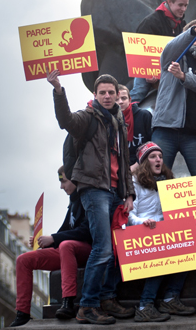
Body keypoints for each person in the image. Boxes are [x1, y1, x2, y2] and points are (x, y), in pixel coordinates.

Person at [49, 70, 136, 325]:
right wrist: (58, 90)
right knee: (102, 248)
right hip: (93, 189)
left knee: (116, 248)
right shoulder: (87, 117)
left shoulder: (119, 121)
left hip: (114, 192)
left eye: (112, 93)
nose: (108, 96)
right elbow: (65, 120)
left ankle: (107, 298)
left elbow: (123, 160)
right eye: (103, 93)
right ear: (95, 95)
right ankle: (87, 306)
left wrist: (128, 193)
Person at [128, 142, 196, 322]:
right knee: (161, 257)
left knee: (188, 247)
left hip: (163, 230)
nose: (158, 160)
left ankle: (170, 298)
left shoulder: (168, 181)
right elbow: (130, 214)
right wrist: (143, 222)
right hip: (143, 233)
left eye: (160, 157)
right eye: (153, 157)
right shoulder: (134, 182)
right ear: (145, 161)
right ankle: (145, 305)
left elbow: (187, 198)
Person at [10, 166, 92, 326]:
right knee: (23, 260)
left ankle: (67, 302)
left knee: (66, 245)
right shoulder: (73, 203)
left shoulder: (88, 198)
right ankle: (22, 313)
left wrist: (53, 238)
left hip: (88, 250)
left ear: (75, 179)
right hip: (68, 251)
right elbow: (64, 232)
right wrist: (44, 241)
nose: (61, 186)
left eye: (64, 181)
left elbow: (86, 231)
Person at [151, 15, 196, 176]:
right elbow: (172, 45)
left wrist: (184, 77)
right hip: (166, 129)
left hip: (194, 134)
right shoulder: (171, 58)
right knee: (155, 180)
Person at [130, 0, 190, 103]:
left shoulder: (182, 24)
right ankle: (123, 117)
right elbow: (140, 49)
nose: (183, 9)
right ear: (169, 2)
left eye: (185, 5)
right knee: (139, 91)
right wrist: (149, 72)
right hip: (150, 69)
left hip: (171, 68)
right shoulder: (151, 21)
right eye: (180, 5)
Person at [116, 85, 153, 171]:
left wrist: (136, 165)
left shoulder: (144, 115)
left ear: (129, 100)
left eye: (123, 98)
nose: (120, 102)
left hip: (143, 164)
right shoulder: (109, 120)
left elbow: (151, 144)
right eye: (116, 99)